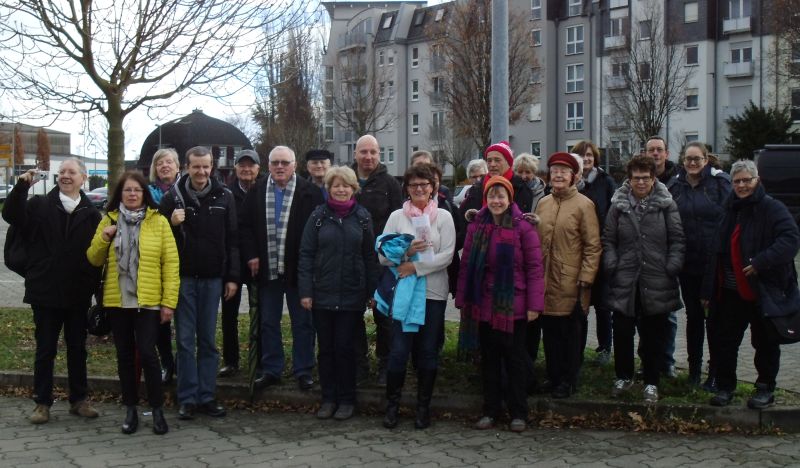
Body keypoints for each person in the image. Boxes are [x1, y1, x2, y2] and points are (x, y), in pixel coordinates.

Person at [2, 160, 101, 425]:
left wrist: (97, 292)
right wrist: (21, 186)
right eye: (62, 172)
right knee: (45, 349)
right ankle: (42, 403)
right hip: (44, 291)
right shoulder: (38, 205)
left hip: (77, 293)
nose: (65, 176)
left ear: (84, 178)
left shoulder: (92, 214)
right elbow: (11, 215)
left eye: (72, 172)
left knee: (77, 349)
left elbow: (99, 255)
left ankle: (79, 400)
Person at [87, 171, 179, 435]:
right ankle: (130, 410)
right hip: (118, 301)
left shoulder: (158, 222)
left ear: (144, 194)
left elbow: (171, 264)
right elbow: (93, 258)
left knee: (149, 355)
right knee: (125, 357)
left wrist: (168, 303)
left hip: (148, 301)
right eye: (127, 190)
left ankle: (158, 410)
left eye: (137, 190)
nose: (132, 194)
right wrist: (104, 238)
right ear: (120, 194)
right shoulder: (109, 219)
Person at [703, 160, 800, 409]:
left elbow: (790, 240)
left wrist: (761, 261)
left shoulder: (772, 208)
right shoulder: (729, 209)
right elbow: (716, 250)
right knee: (725, 341)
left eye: (747, 180)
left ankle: (765, 388)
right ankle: (725, 387)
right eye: (737, 181)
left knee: (765, 342)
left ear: (757, 181)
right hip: (730, 290)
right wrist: (708, 289)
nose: (742, 185)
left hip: (761, 290)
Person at [456, 176, 544, 432]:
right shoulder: (476, 227)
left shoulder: (523, 228)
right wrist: (463, 299)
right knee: (490, 360)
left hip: (514, 306)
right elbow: (466, 266)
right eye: (492, 196)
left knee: (515, 360)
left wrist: (534, 305)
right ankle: (491, 410)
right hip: (483, 304)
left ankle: (518, 412)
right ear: (486, 199)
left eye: (500, 196)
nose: (496, 201)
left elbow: (535, 269)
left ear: (509, 199)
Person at [159, 146, 240, 420]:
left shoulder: (225, 196)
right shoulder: (172, 198)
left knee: (207, 340)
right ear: (187, 166)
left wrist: (232, 277)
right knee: (184, 341)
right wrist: (170, 222)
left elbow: (232, 240)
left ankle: (207, 396)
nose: (202, 172)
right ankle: (187, 398)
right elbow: (158, 237)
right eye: (196, 166)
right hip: (183, 280)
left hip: (213, 279)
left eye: (206, 166)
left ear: (212, 166)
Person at [240, 146, 324, 392]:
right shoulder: (256, 190)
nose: (279, 167)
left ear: (294, 165)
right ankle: (272, 369)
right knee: (268, 321)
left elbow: (317, 231)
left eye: (284, 162)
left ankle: (303, 370)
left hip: (299, 270)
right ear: (268, 165)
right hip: (268, 268)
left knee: (303, 322)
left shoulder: (310, 193)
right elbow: (244, 226)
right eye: (275, 162)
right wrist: (252, 254)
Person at [603, 155, 685, 403]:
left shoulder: (666, 204)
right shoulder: (617, 205)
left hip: (657, 278)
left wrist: (671, 267)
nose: (641, 182)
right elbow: (608, 240)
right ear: (629, 179)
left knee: (653, 335)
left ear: (653, 178)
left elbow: (678, 240)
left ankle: (651, 382)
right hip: (625, 278)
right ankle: (623, 376)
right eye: (636, 177)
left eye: (645, 177)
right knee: (623, 331)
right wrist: (612, 264)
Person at [298, 166, 377, 421]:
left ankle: (347, 399)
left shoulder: (363, 217)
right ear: (329, 188)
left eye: (345, 185)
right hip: (322, 294)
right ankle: (328, 398)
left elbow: (369, 256)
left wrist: (371, 291)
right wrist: (306, 292)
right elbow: (306, 255)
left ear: (353, 189)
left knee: (345, 348)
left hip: (352, 295)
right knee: (327, 349)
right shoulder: (317, 216)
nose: (340, 189)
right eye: (336, 186)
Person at [380, 163, 455, 430]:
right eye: (414, 185)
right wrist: (406, 253)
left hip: (433, 293)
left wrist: (417, 266)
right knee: (399, 351)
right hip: (405, 293)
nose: (420, 189)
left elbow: (447, 255)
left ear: (433, 187)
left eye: (425, 184)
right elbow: (382, 254)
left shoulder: (444, 217)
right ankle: (392, 406)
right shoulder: (397, 217)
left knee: (427, 352)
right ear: (407, 189)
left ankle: (423, 408)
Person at [535, 152, 601, 399]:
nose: (558, 175)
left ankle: (568, 379)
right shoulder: (543, 203)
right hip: (544, 279)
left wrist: (586, 276)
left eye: (564, 171)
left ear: (574, 176)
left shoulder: (584, 205)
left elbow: (593, 245)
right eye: (554, 171)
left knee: (570, 334)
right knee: (550, 332)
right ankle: (553, 377)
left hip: (571, 281)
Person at [667, 142, 731, 389]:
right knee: (693, 319)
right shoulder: (675, 185)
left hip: (713, 263)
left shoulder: (719, 184)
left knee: (714, 319)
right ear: (683, 161)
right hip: (687, 263)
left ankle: (714, 372)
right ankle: (694, 370)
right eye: (688, 159)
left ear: (706, 160)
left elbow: (729, 217)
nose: (692, 163)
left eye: (697, 159)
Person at [351, 134, 404, 385]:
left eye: (373, 152)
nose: (368, 156)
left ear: (379, 154)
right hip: (352, 259)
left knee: (384, 315)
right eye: (364, 152)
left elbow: (399, 222)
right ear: (355, 154)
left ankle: (386, 363)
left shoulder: (390, 184)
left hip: (382, 261)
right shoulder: (347, 180)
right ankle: (359, 363)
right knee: (353, 313)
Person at [572, 140, 617, 365]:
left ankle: (604, 348)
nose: (587, 159)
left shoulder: (605, 182)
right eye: (582, 156)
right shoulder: (572, 183)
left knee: (602, 304)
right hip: (575, 252)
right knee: (579, 304)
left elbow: (612, 214)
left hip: (600, 249)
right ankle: (577, 347)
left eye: (590, 155)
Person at [219, 149, 262, 378]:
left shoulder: (265, 190)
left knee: (261, 313)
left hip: (258, 260)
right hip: (232, 261)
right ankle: (231, 360)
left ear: (258, 168)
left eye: (251, 165)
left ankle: (260, 359)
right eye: (242, 165)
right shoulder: (226, 192)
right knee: (229, 313)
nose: (247, 169)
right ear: (235, 168)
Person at [645, 136, 679, 376]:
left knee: (668, 315)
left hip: (665, 261)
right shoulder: (636, 179)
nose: (655, 153)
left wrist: (673, 262)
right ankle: (646, 362)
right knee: (643, 316)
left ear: (666, 153)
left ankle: (667, 362)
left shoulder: (677, 181)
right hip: (641, 259)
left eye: (659, 150)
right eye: (651, 150)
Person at [147, 148, 181, 384]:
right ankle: (167, 363)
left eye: (169, 162)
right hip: (158, 264)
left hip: (186, 262)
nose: (165, 166)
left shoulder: (186, 190)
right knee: (162, 318)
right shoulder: (148, 193)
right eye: (160, 163)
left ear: (178, 166)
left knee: (186, 319)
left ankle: (184, 362)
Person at [460, 141, 534, 217]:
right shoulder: (477, 188)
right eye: (489, 161)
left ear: (508, 162)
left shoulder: (521, 188)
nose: (492, 164)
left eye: (497, 160)